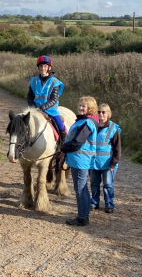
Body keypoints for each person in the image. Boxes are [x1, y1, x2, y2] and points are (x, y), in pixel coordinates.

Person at [61, 96, 99, 226]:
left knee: (80, 189)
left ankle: (82, 217)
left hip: (80, 160)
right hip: (78, 159)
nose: (81, 107)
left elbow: (77, 142)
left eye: (84, 106)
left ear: (90, 108)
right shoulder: (84, 121)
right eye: (80, 105)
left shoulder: (87, 123)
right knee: (83, 189)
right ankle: (84, 215)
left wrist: (63, 147)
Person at [27, 55, 66, 144]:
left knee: (60, 126)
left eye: (45, 66)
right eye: (41, 66)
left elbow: (54, 99)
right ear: (38, 67)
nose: (43, 68)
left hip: (51, 110)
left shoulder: (55, 82)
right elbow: (29, 97)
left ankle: (63, 144)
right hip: (36, 109)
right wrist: (34, 108)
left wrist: (41, 108)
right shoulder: (33, 81)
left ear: (49, 67)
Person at [89, 104, 121, 214]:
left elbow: (117, 148)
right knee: (94, 184)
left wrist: (113, 163)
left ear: (108, 113)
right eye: (99, 112)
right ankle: (94, 202)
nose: (100, 114)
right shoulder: (93, 126)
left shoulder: (113, 128)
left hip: (108, 164)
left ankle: (109, 204)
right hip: (94, 162)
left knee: (108, 184)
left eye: (103, 112)